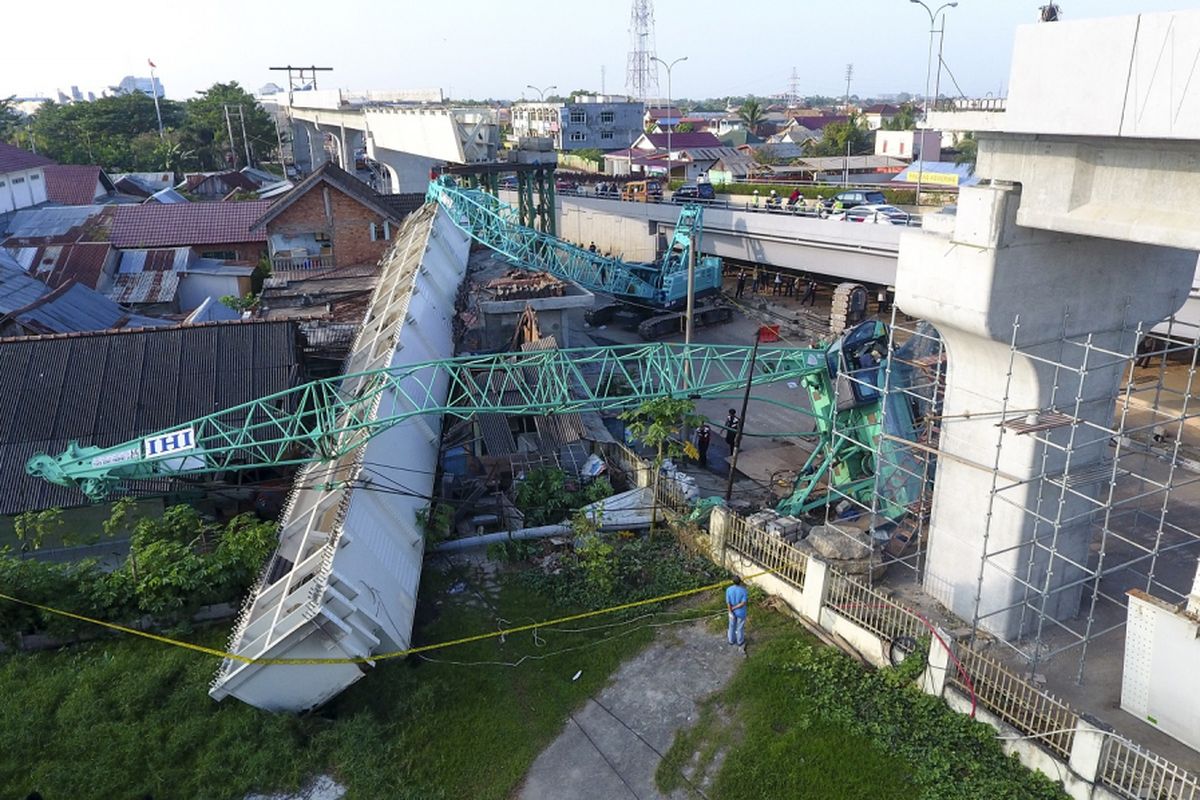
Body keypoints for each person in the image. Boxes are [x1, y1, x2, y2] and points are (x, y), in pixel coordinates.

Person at [726, 575, 749, 649]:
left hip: (732, 612)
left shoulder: (729, 589)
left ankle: (731, 640)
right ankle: (740, 641)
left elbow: (728, 602)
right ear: (740, 582)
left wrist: (730, 611)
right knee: (740, 627)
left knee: (731, 626)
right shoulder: (743, 590)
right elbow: (743, 603)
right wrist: (735, 607)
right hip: (741, 612)